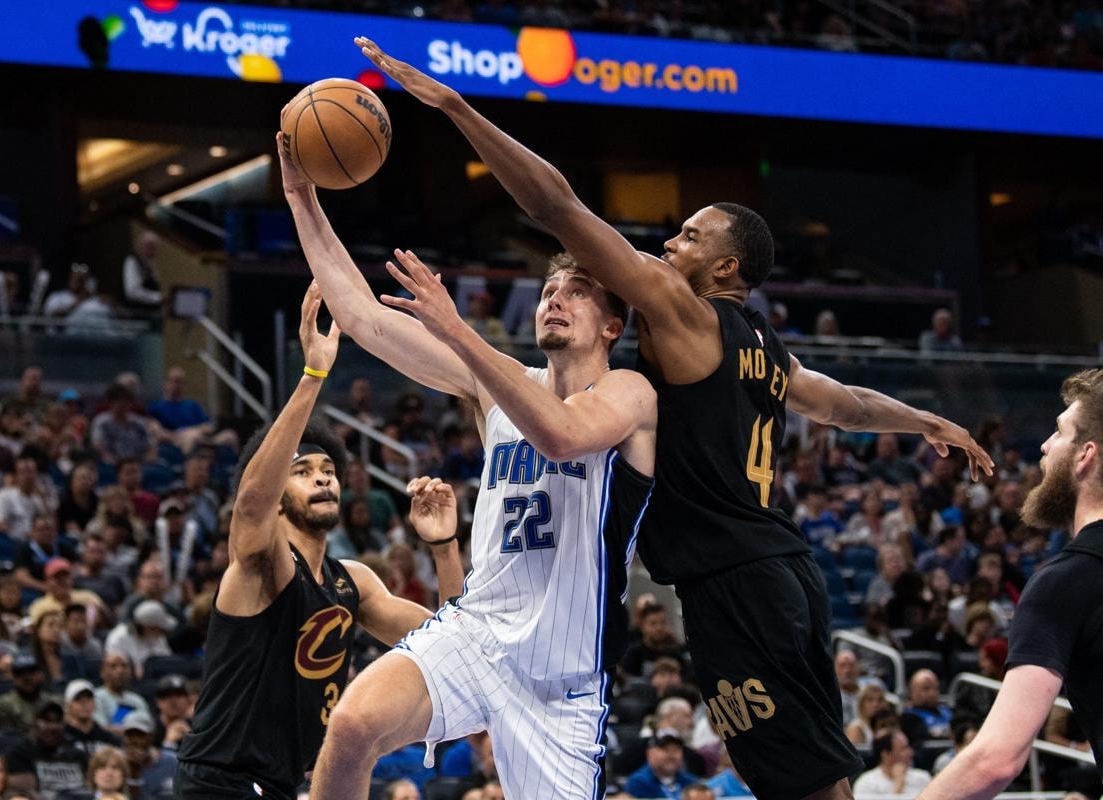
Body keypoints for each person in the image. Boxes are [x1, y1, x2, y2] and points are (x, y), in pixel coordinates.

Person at [356, 37, 993, 800]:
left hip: (736, 584)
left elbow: (555, 207)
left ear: (725, 268)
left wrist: (456, 107)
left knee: (799, 786)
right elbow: (844, 404)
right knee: (810, 777)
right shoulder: (765, 348)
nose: (668, 241)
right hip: (779, 572)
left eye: (690, 236)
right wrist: (922, 419)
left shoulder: (682, 312)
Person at [282, 131, 656, 800]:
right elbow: (363, 318)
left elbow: (564, 437)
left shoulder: (630, 394)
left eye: (576, 292)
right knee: (353, 724)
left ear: (612, 326)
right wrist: (301, 195)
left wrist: (457, 329)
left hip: (562, 681)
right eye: (548, 289)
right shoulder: (500, 382)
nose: (554, 299)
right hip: (476, 635)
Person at [173, 284, 465, 800]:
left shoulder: (354, 582)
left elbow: (453, 644)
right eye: (303, 471)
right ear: (278, 498)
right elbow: (250, 505)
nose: (323, 478)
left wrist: (444, 548)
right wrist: (312, 376)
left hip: (282, 785)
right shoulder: (264, 564)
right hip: (219, 781)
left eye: (328, 469)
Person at [918, 369, 1103, 798]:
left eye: (1059, 432)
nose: (1044, 445)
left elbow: (994, 760)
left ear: (1085, 455)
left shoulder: (1065, 582)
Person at [6, 699, 89, 796]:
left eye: (57, 721)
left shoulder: (77, 754)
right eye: (46, 721)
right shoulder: (20, 754)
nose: (53, 727)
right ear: (34, 723)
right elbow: (24, 792)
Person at [623, 730, 699, 800]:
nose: (671, 754)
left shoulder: (691, 782)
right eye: (665, 749)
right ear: (650, 753)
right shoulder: (638, 783)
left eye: (676, 749)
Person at [852, 731, 931, 797]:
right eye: (903, 748)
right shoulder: (866, 783)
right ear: (886, 754)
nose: (910, 753)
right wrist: (899, 783)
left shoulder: (923, 777)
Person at [63, 680, 122, 758]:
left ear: (94, 703)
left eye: (88, 699)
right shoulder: (61, 737)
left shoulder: (107, 738)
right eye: (78, 699)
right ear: (68, 705)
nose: (84, 703)